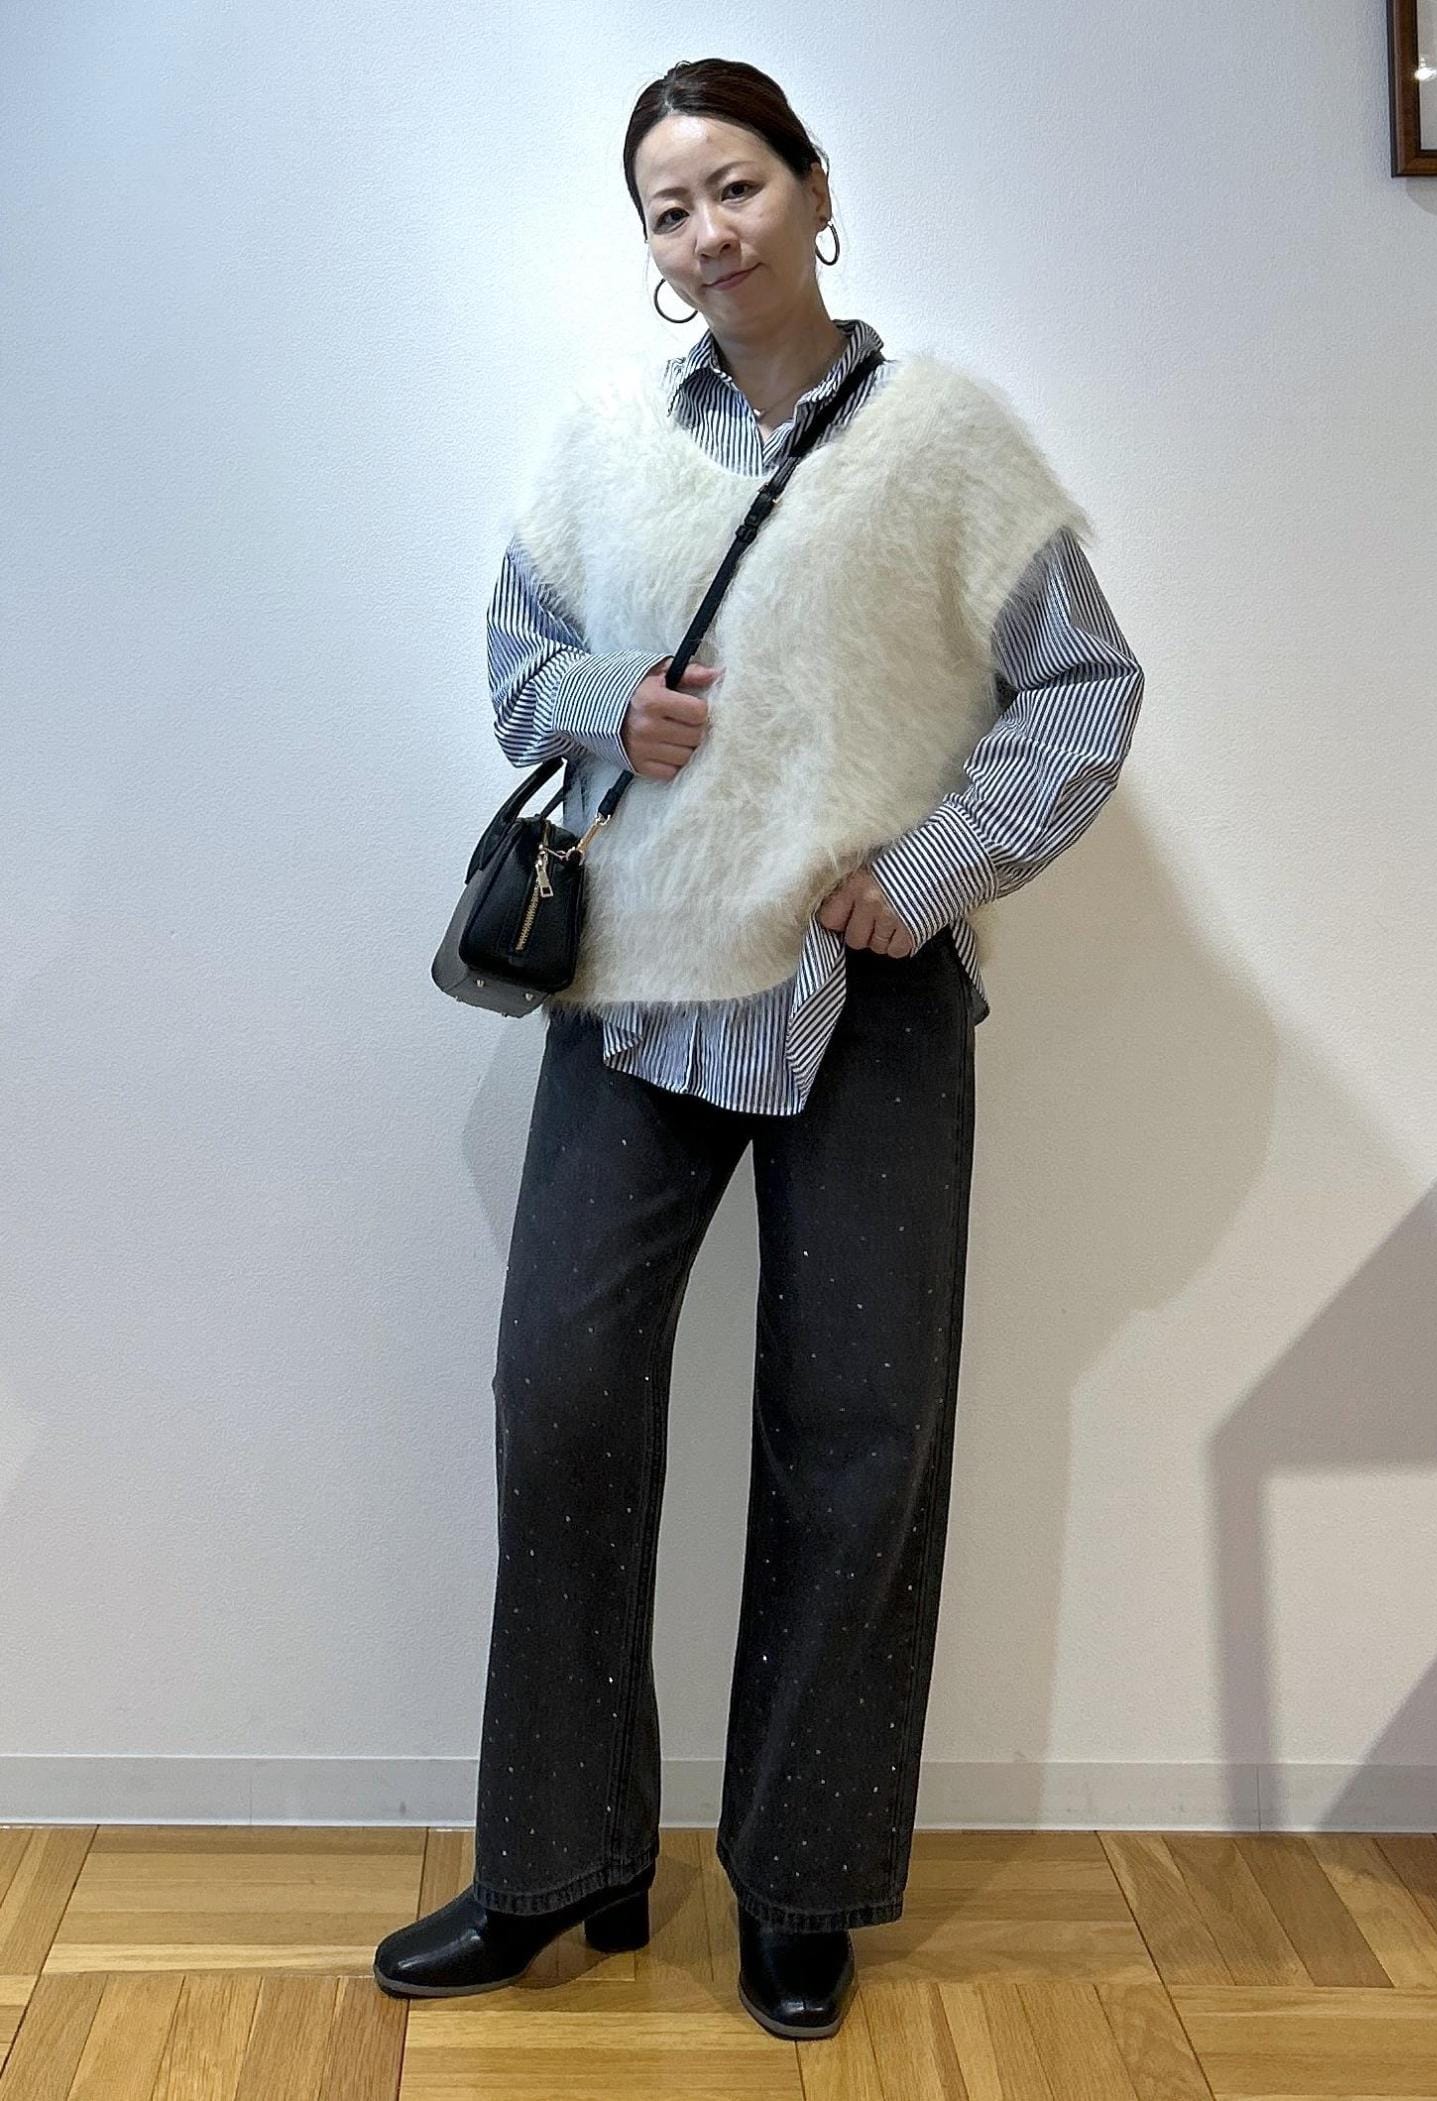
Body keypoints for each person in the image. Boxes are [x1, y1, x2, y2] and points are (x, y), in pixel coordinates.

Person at [375, 57, 1144, 2041]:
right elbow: (516, 658)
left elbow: (1084, 684)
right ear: (647, 247)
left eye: (734, 185)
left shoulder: (950, 441)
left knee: (859, 1435)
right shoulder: (606, 445)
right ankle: (559, 1864)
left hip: (864, 1001)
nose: (707, 231)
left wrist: (937, 866)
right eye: (668, 208)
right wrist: (603, 700)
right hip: (636, 994)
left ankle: (801, 1883)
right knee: (562, 1405)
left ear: (811, 186)